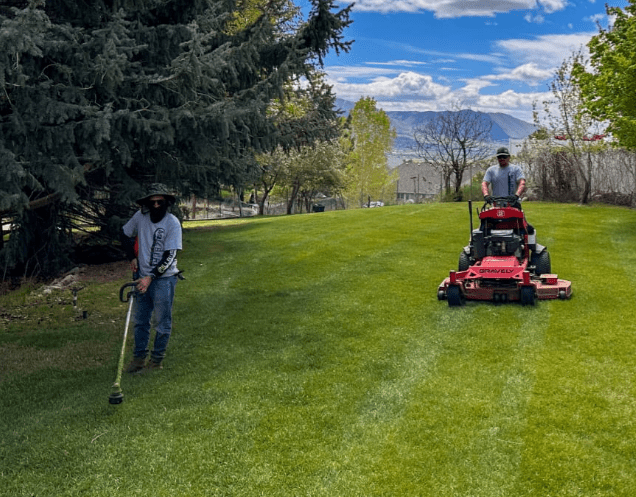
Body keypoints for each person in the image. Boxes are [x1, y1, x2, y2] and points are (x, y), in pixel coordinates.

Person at [121, 183, 182, 373]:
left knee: (162, 321)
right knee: (140, 320)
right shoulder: (140, 217)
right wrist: (131, 255)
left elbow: (170, 256)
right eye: (152, 202)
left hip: (164, 279)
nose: (156, 206)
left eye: (160, 202)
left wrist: (151, 277)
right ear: (147, 203)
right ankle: (138, 359)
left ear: (166, 202)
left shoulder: (172, 223)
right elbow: (124, 234)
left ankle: (156, 361)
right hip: (141, 277)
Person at [481, 147, 536, 250]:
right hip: (496, 205)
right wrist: (486, 195)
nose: (502, 159)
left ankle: (528, 248)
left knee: (524, 228)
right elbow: (484, 183)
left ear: (509, 157)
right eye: (499, 157)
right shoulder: (491, 170)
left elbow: (522, 182)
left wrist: (517, 195)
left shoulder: (515, 169)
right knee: (484, 228)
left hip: (513, 203)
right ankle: (484, 249)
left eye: (504, 157)